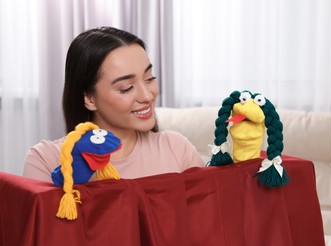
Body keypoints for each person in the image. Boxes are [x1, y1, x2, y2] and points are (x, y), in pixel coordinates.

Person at [23, 26, 205, 183]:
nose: (147, 96)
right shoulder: (45, 159)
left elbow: (207, 217)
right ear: (89, 99)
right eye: (126, 88)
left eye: (149, 78)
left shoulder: (176, 148)